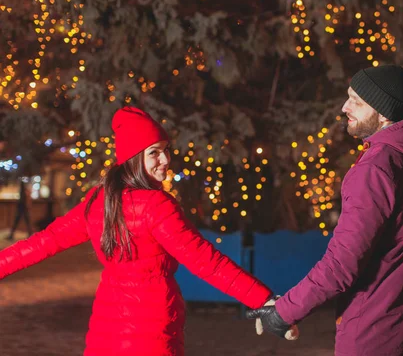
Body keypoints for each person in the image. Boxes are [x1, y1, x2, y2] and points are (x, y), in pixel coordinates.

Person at [0, 107, 293, 356]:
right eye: (154, 153)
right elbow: (206, 262)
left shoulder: (98, 199)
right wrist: (263, 300)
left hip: (105, 331)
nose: (165, 160)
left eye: (166, 151)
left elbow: (42, 243)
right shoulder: (156, 205)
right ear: (132, 157)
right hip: (150, 332)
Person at [248, 65, 403, 355]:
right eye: (348, 96)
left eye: (357, 102)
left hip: (374, 338)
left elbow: (341, 265)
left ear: (384, 113)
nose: (344, 107)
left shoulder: (375, 171)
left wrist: (283, 312)